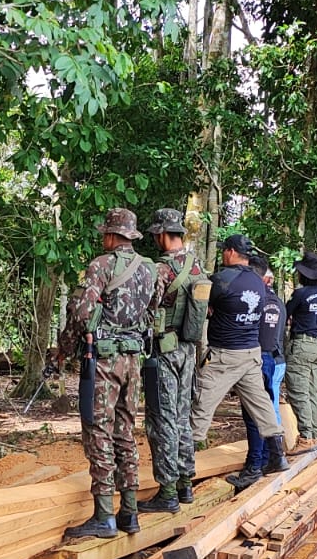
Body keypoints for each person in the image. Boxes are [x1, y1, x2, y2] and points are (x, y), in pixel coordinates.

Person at [51, 208, 159, 540]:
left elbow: (82, 313)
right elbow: (152, 312)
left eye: (105, 235)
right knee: (125, 431)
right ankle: (130, 511)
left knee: (98, 431)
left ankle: (103, 516)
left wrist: (63, 349)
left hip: (104, 361)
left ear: (112, 236)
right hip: (133, 361)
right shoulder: (150, 269)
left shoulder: (101, 265)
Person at [189, 234, 285, 490]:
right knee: (261, 404)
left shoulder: (221, 280)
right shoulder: (258, 281)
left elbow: (201, 307)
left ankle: (183, 472)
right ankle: (277, 456)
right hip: (251, 353)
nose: (223, 254)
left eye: (224, 251)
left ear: (231, 252)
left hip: (224, 356)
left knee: (201, 406)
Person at [138, 208, 206, 515]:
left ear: (163, 235)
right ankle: (185, 484)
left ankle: (167, 492)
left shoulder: (161, 270)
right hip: (188, 351)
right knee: (181, 417)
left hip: (164, 351)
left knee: (161, 419)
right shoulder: (197, 266)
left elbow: (147, 309)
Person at [230, 254, 289, 485]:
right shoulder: (277, 302)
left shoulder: (255, 301)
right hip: (272, 358)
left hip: (256, 358)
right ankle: (268, 458)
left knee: (254, 415)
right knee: (266, 412)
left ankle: (254, 465)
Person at [285, 252, 317, 449]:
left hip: (302, 344)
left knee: (299, 391)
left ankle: (305, 437)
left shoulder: (300, 294)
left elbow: (285, 313)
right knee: (313, 391)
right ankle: (314, 434)